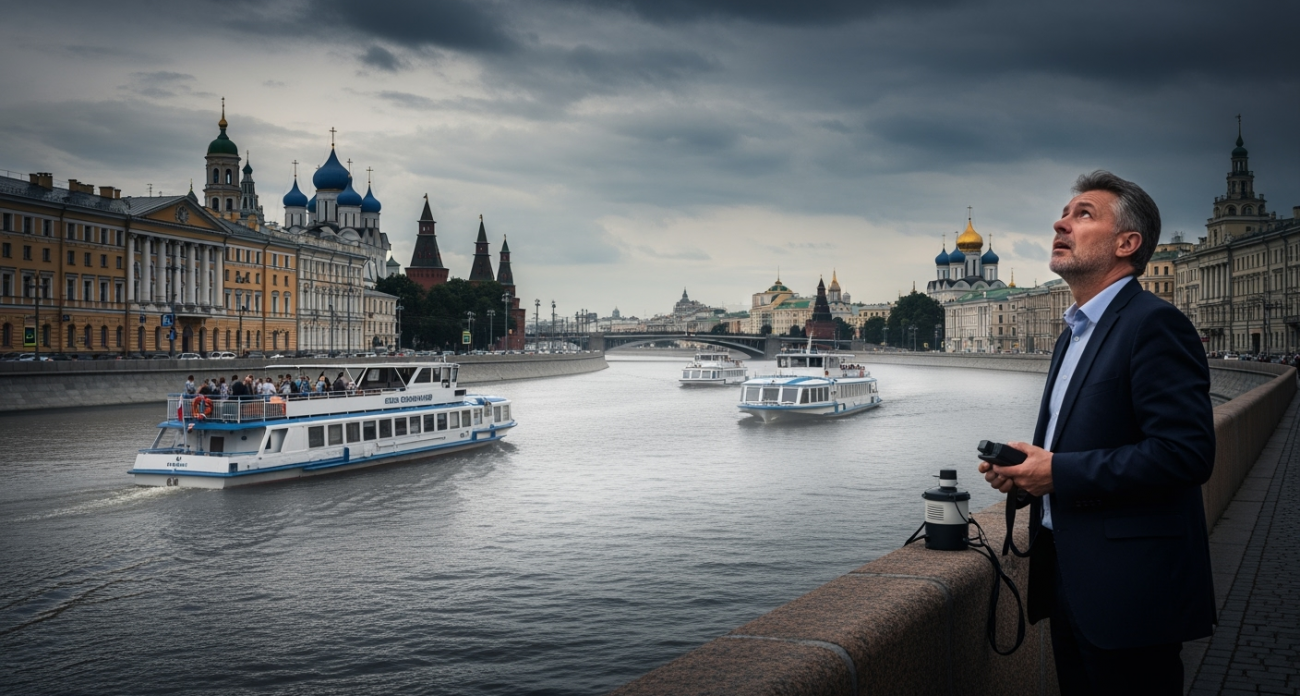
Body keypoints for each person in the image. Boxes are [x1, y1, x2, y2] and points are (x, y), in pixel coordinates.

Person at [978, 171, 1215, 695]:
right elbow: (1084, 444)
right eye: (1064, 213)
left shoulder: (1154, 323)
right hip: (1071, 577)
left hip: (1131, 592)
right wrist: (1028, 469)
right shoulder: (1076, 332)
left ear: (1126, 244)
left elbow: (1186, 454)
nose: (1061, 223)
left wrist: (1057, 472)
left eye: (1083, 214)